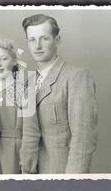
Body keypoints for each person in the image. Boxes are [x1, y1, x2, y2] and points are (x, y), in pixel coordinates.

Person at [20, 14, 98, 174]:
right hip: (31, 174)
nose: (37, 46)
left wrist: (71, 183)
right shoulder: (28, 81)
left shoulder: (77, 77)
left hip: (60, 172)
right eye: (32, 40)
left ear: (57, 40)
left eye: (44, 39)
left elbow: (83, 139)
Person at [0, 39, 26, 174]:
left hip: (15, 151)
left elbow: (32, 133)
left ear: (13, 61)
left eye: (3, 59)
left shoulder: (24, 92)